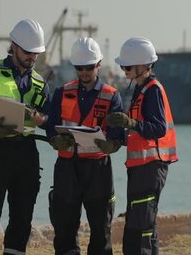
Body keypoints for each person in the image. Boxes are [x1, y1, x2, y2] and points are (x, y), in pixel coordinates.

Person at [0, 18, 51, 255]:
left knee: (22, 217)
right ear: (13, 46)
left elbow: (49, 121)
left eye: (36, 53)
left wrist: (41, 120)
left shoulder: (40, 83)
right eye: (28, 52)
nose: (32, 57)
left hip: (27, 153)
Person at [45, 37, 125, 255]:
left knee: (101, 231)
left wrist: (113, 145)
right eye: (79, 68)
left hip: (98, 169)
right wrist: (55, 139)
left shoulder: (111, 96)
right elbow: (51, 127)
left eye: (89, 67)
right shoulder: (61, 92)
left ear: (98, 65)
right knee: (64, 230)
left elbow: (118, 134)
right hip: (67, 168)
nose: (84, 72)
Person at [105, 37, 178, 255]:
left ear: (143, 66)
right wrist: (118, 138)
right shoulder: (141, 89)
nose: (124, 70)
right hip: (141, 166)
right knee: (141, 221)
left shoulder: (152, 90)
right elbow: (140, 133)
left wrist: (131, 123)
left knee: (142, 224)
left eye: (127, 66)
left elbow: (158, 129)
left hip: (151, 167)